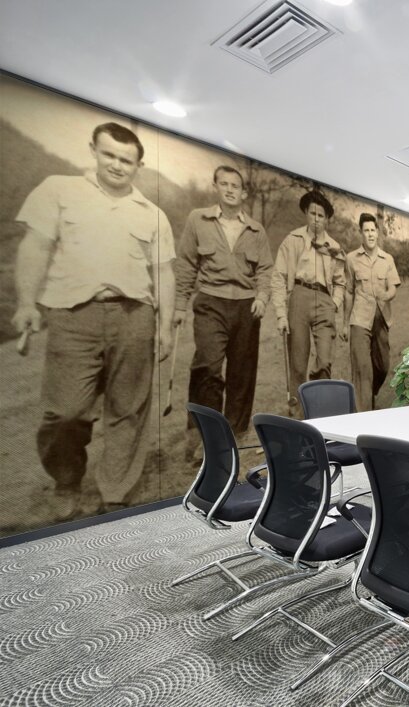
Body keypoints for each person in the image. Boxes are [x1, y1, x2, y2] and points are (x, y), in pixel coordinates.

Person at [12, 122, 175, 521]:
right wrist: (26, 303)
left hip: (135, 315)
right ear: (94, 151)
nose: (118, 166)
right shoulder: (59, 191)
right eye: (110, 155)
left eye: (127, 160)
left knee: (129, 410)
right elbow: (34, 247)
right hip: (73, 315)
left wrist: (166, 325)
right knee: (65, 411)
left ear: (139, 165)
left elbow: (164, 273)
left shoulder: (152, 213)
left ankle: (115, 496)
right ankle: (66, 482)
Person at [174, 166, 272, 454]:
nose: (230, 189)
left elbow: (265, 269)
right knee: (207, 366)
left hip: (246, 306)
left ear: (243, 192)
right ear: (215, 187)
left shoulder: (256, 230)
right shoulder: (198, 220)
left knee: (242, 373)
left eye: (235, 185)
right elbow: (186, 264)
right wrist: (180, 305)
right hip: (210, 301)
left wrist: (262, 297)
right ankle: (201, 433)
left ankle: (235, 431)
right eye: (224, 184)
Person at [271, 190, 345, 399]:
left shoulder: (334, 248)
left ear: (327, 219)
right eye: (313, 214)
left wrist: (334, 304)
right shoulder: (292, 240)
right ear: (306, 213)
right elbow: (278, 277)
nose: (316, 220)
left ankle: (318, 409)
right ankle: (296, 413)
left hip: (324, 300)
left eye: (321, 216)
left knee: (324, 361)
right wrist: (280, 314)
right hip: (299, 298)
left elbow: (340, 282)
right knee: (297, 361)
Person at [342, 213, 401, 411]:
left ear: (378, 232)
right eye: (366, 230)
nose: (370, 234)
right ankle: (364, 416)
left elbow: (393, 286)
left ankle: (369, 392)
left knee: (383, 366)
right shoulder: (351, 259)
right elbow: (349, 292)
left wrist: (387, 295)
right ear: (361, 233)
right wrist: (344, 323)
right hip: (360, 319)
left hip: (382, 318)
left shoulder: (387, 259)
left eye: (373, 230)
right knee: (362, 371)